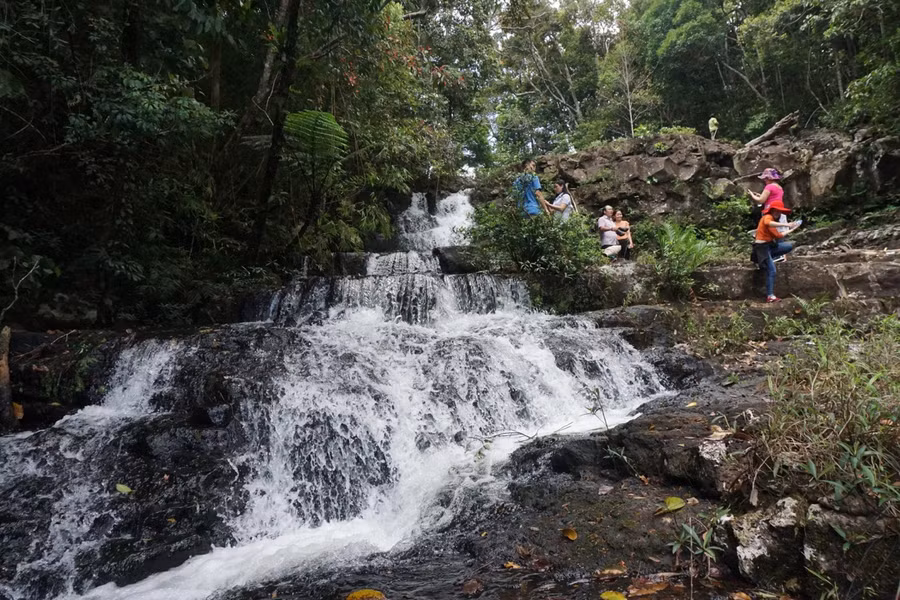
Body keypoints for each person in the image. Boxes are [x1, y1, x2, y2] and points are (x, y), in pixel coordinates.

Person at [753, 199, 801, 302]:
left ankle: (769, 259)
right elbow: (768, 223)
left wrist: (792, 229)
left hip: (770, 246)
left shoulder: (774, 223)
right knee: (772, 270)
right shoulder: (767, 217)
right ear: (772, 211)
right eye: (776, 211)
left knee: (788, 246)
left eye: (779, 211)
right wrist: (787, 225)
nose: (778, 213)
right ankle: (770, 296)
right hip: (761, 248)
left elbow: (778, 235)